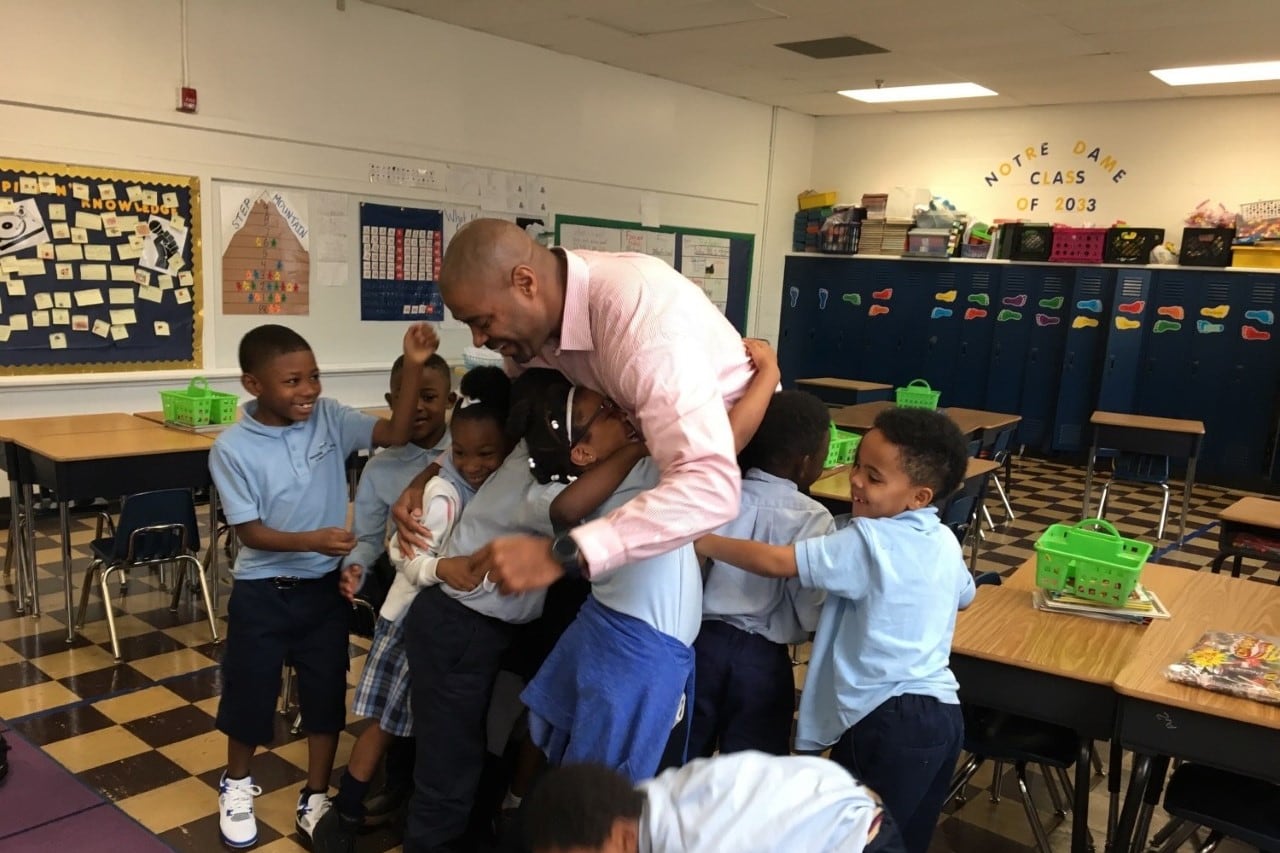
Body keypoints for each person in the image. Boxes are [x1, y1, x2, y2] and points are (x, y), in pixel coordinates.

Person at [393, 218, 760, 596]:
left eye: (483, 322)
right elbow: (506, 427)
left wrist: (564, 553)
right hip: (642, 470)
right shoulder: (530, 335)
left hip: (725, 471)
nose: (479, 339)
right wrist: (428, 479)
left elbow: (708, 485)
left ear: (526, 283)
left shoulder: (640, 326)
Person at [694, 407, 975, 853]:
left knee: (846, 837)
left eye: (874, 477)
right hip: (941, 716)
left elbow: (776, 561)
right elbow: (966, 595)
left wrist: (704, 540)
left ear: (919, 496)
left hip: (882, 719)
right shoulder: (943, 539)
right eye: (858, 466)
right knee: (900, 840)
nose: (857, 482)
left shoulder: (866, 542)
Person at [207, 321, 437, 850]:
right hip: (262, 592)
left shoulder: (330, 419)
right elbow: (250, 533)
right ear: (253, 384)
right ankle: (236, 784)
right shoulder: (232, 448)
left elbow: (395, 434)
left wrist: (414, 363)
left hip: (323, 591)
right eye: (291, 381)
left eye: (314, 376)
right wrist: (315, 539)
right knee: (250, 691)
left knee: (325, 692)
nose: (308, 389)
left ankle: (315, 795)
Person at [513, 342, 777, 783]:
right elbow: (563, 510)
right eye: (607, 413)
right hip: (630, 653)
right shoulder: (623, 477)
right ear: (582, 453)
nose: (622, 412)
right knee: (601, 782)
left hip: (635, 648)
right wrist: (768, 373)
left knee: (599, 763)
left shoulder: (646, 467)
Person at [312, 367, 512, 853]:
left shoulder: (458, 458)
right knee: (389, 722)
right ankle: (346, 812)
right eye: (465, 454)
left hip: (440, 616)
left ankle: (385, 799)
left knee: (414, 724)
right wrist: (372, 567)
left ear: (449, 401)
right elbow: (398, 551)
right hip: (410, 616)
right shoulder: (436, 487)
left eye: (431, 396)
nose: (474, 462)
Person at [687, 389, 833, 760]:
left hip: (699, 646)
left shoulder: (717, 494)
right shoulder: (814, 517)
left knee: (685, 754)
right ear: (804, 464)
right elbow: (810, 607)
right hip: (762, 663)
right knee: (754, 772)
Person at [340, 352, 453, 826]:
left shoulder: (473, 448)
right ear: (392, 402)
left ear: (452, 400)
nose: (422, 408)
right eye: (412, 399)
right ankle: (399, 780)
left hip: (459, 581)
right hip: (405, 582)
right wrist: (354, 569)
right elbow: (366, 540)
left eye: (431, 397)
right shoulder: (381, 469)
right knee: (409, 664)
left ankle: (437, 781)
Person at [521, 751, 904, 853]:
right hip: (819, 793)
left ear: (622, 838)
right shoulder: (635, 805)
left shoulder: (698, 841)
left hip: (859, 834)